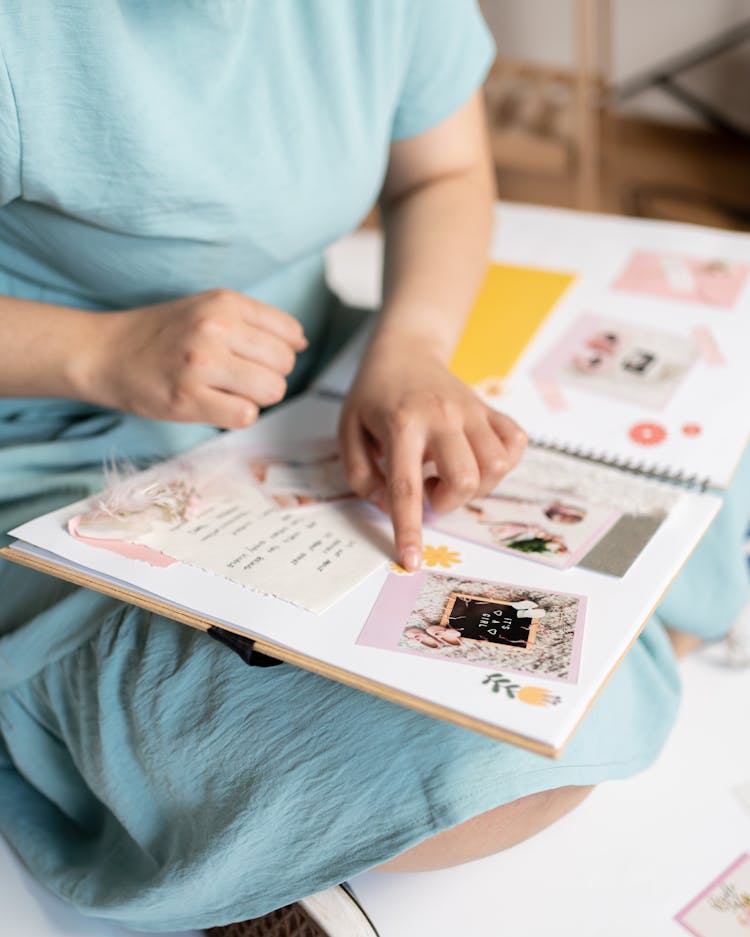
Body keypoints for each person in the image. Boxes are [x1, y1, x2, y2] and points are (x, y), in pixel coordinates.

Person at [0, 4, 748, 936]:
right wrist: (98, 353)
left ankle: (616, 659)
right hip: (50, 455)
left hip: (318, 378)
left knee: (706, 454)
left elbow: (443, 171)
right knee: (463, 769)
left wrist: (411, 349)